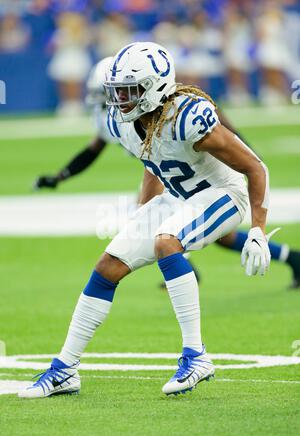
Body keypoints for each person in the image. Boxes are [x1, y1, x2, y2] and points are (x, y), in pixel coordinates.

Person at [18, 41, 275, 398]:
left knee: (166, 241)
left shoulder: (187, 116)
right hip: (179, 197)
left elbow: (254, 167)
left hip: (224, 193)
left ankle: (196, 356)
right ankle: (65, 370)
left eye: (128, 90)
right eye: (116, 91)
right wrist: (143, 212)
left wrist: (258, 229)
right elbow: (154, 162)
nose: (120, 99)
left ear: (155, 87)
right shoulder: (120, 122)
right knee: (108, 266)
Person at [34, 57, 300, 289]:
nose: (112, 99)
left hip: (195, 172)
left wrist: (246, 153)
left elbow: (218, 125)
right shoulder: (115, 118)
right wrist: (61, 175)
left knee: (167, 227)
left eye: (118, 92)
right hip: (166, 173)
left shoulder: (172, 109)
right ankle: (291, 258)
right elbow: (94, 149)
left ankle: (182, 268)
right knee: (214, 235)